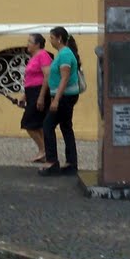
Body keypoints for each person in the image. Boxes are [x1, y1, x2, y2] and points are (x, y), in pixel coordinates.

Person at [38, 26, 81, 176]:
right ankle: (71, 163)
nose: (50, 40)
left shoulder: (65, 55)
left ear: (59, 38)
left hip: (65, 97)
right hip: (65, 96)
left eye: (51, 37)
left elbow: (65, 77)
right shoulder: (62, 54)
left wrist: (56, 100)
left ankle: (52, 162)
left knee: (48, 125)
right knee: (66, 127)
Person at [19, 33, 52, 163]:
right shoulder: (34, 57)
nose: (27, 44)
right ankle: (46, 151)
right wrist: (24, 96)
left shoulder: (43, 55)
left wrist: (41, 96)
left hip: (39, 92)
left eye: (30, 42)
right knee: (37, 125)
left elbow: (47, 76)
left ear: (37, 44)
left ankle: (43, 150)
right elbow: (30, 79)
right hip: (32, 92)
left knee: (28, 123)